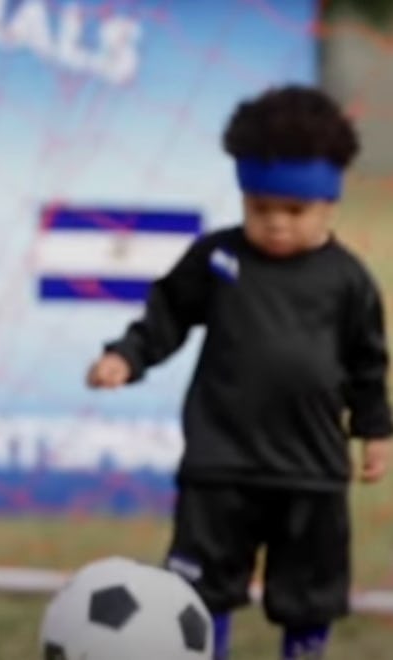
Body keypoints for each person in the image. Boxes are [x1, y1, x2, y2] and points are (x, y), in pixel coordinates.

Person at [85, 85, 392, 660]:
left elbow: (368, 363)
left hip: (311, 470)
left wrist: (374, 430)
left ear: (330, 205)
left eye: (294, 211)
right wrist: (126, 355)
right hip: (218, 466)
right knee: (199, 590)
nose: (275, 224)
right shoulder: (218, 259)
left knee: (309, 594)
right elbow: (166, 313)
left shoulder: (348, 281)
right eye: (259, 208)